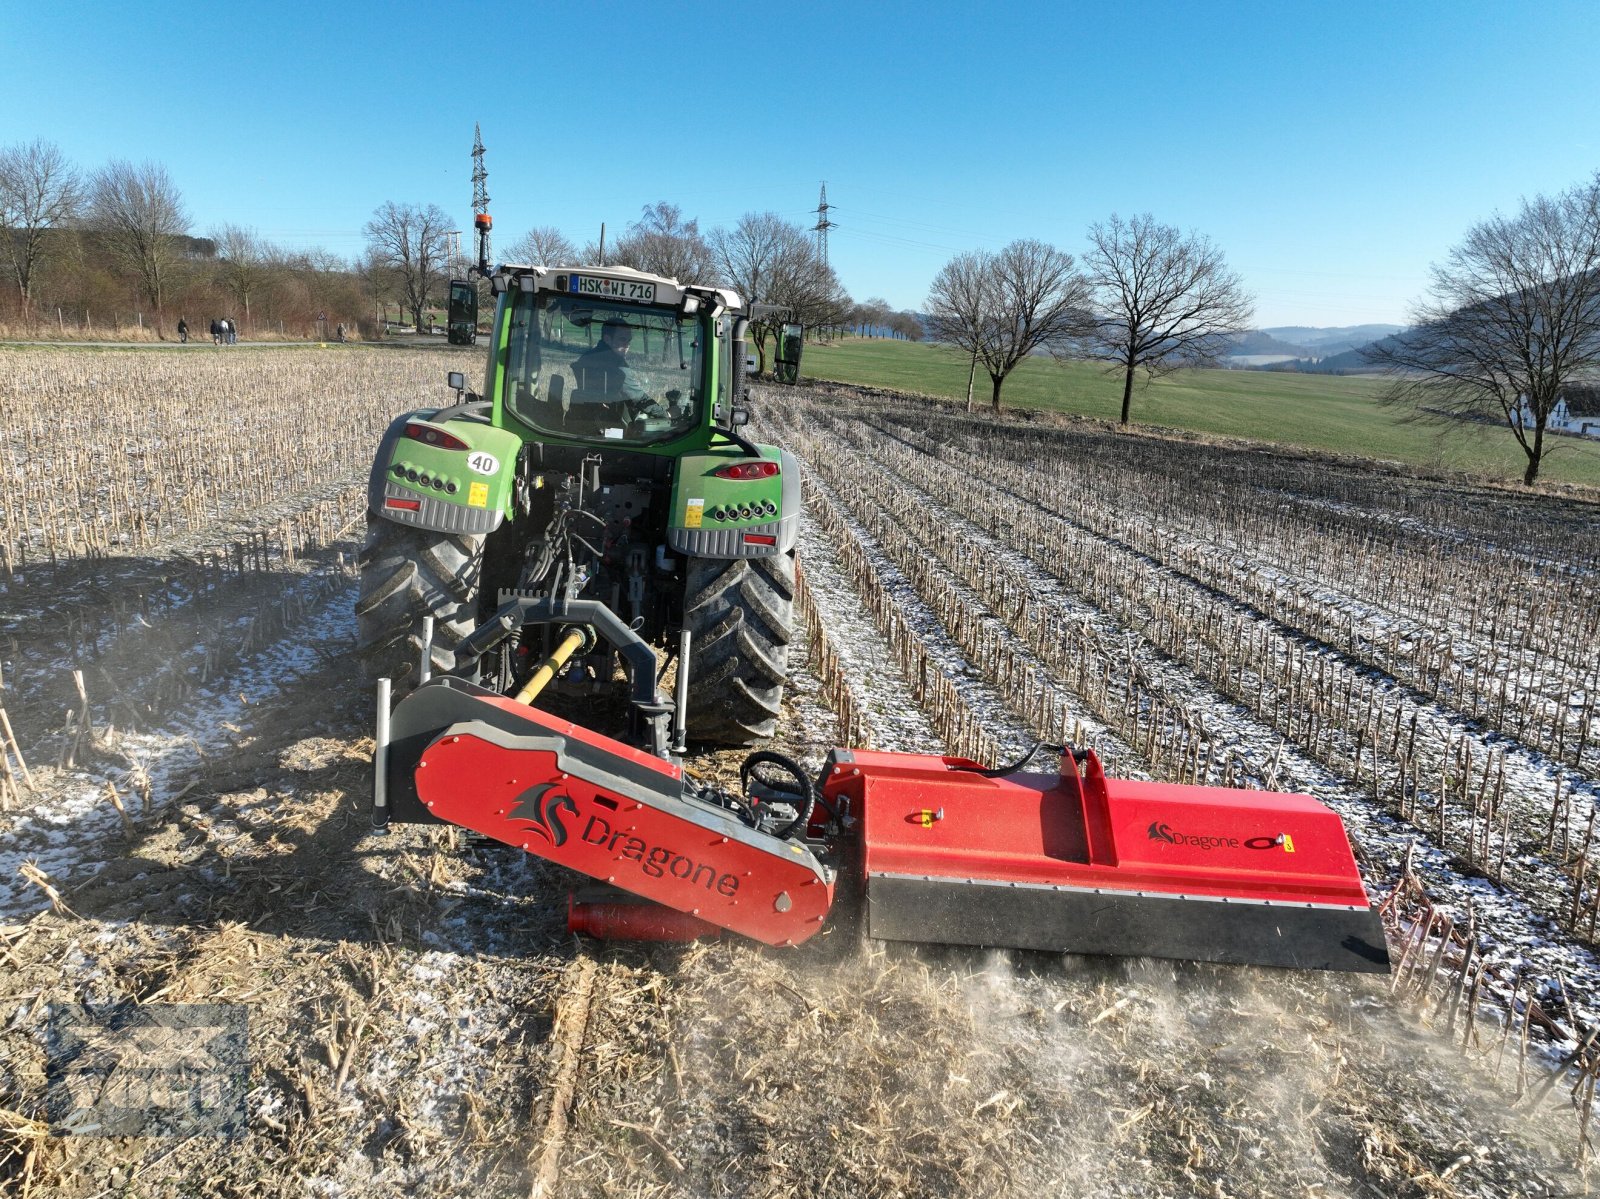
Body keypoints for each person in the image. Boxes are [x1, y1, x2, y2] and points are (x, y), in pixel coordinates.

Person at [572, 318, 648, 410]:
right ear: (607, 339)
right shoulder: (618, 366)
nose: (627, 345)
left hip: (581, 413)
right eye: (622, 339)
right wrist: (664, 414)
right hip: (609, 418)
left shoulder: (586, 357)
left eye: (629, 341)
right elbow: (639, 399)